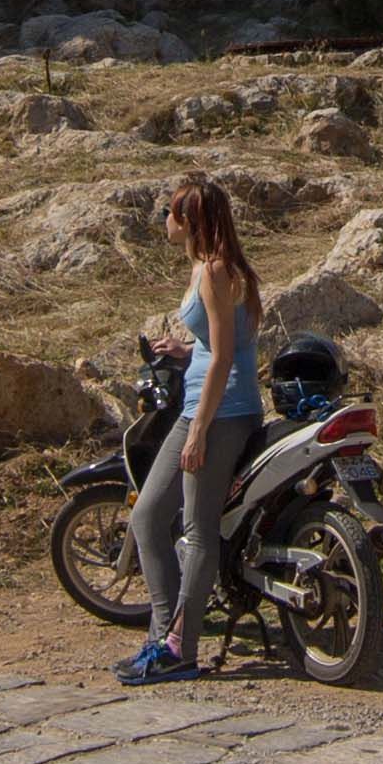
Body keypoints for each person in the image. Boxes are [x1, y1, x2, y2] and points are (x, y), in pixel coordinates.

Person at [124, 172, 267, 685]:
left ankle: (180, 649)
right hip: (207, 403)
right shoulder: (223, 269)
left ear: (189, 220)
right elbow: (222, 344)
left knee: (196, 529)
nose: (164, 219)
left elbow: (227, 356)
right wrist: (187, 351)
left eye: (170, 211)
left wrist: (199, 430)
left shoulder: (215, 271)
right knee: (147, 516)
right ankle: (165, 636)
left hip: (219, 413)